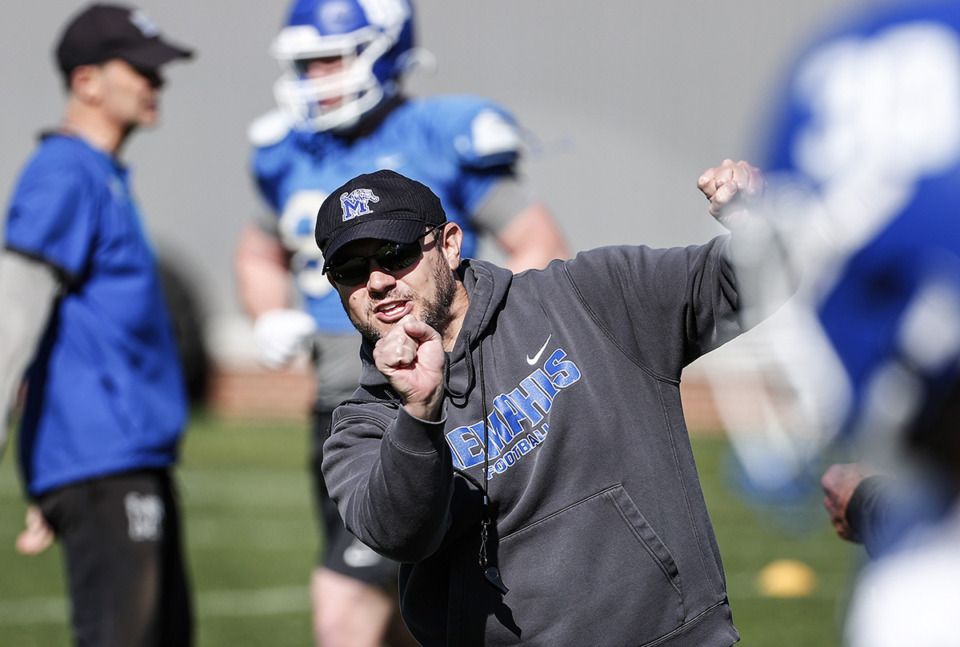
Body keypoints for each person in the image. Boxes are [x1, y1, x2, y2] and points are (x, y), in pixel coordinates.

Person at [314, 160, 765, 647]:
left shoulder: (588, 295)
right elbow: (400, 536)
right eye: (351, 269)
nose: (377, 282)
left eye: (394, 253)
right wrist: (420, 413)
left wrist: (759, 225)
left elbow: (741, 283)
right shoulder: (361, 430)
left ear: (448, 244)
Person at [234, 1, 570, 645]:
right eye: (304, 64)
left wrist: (480, 349)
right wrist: (269, 309)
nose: (315, 77)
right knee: (415, 604)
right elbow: (257, 252)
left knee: (345, 610)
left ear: (384, 51)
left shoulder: (439, 132)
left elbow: (538, 245)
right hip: (340, 407)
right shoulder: (286, 151)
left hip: (426, 400)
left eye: (328, 57)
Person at [0, 4, 195, 645]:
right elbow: (13, 314)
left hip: (128, 459)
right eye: (140, 70)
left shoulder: (102, 175)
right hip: (102, 463)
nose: (155, 84)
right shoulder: (64, 172)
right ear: (86, 81)